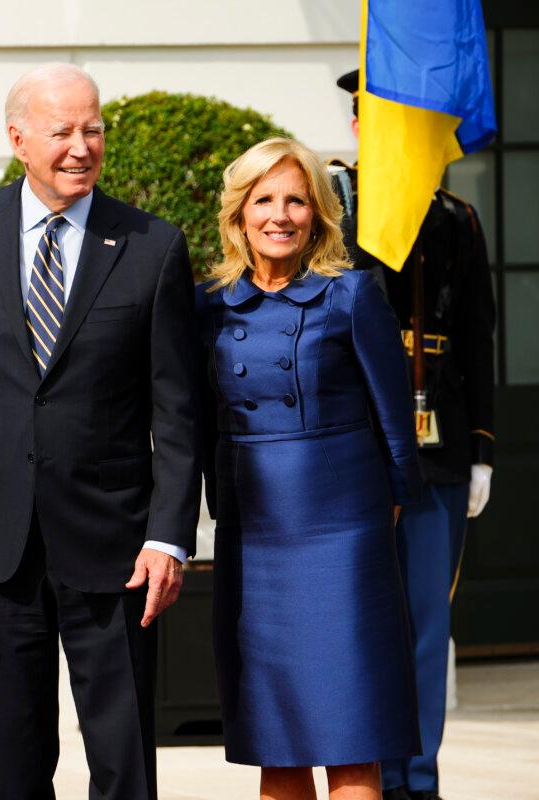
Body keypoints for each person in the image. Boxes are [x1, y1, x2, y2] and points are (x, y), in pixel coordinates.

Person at [0, 63, 199, 800]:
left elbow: (178, 407)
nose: (82, 146)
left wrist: (169, 535)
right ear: (17, 139)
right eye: (62, 131)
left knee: (122, 756)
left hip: (117, 547)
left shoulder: (152, 246)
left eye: (94, 129)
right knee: (10, 757)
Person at [197, 137, 422, 800]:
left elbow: (393, 415)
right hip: (257, 534)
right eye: (264, 200)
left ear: (319, 215)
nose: (281, 215)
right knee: (278, 741)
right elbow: (196, 415)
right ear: (239, 215)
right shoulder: (209, 304)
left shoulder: (350, 295)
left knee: (352, 737)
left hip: (345, 535)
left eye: (297, 200)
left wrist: (395, 502)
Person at [332, 68, 497, 800]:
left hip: (439, 444)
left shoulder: (456, 218)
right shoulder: (333, 205)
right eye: (381, 119)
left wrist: (485, 450)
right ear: (359, 128)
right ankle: (367, 772)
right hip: (351, 445)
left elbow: (477, 341)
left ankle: (416, 779)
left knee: (426, 626)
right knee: (364, 624)